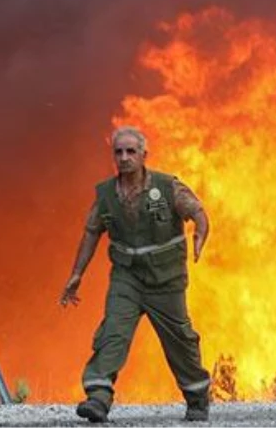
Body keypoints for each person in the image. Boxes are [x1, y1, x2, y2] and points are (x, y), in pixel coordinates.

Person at [60, 126, 212, 423]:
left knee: (180, 340)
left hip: (166, 280)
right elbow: (92, 232)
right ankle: (99, 398)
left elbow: (197, 212)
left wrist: (199, 234)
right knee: (112, 333)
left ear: (144, 155)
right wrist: (77, 273)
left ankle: (197, 398)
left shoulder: (167, 188)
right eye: (119, 152)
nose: (124, 157)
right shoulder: (106, 195)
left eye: (131, 151)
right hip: (126, 279)